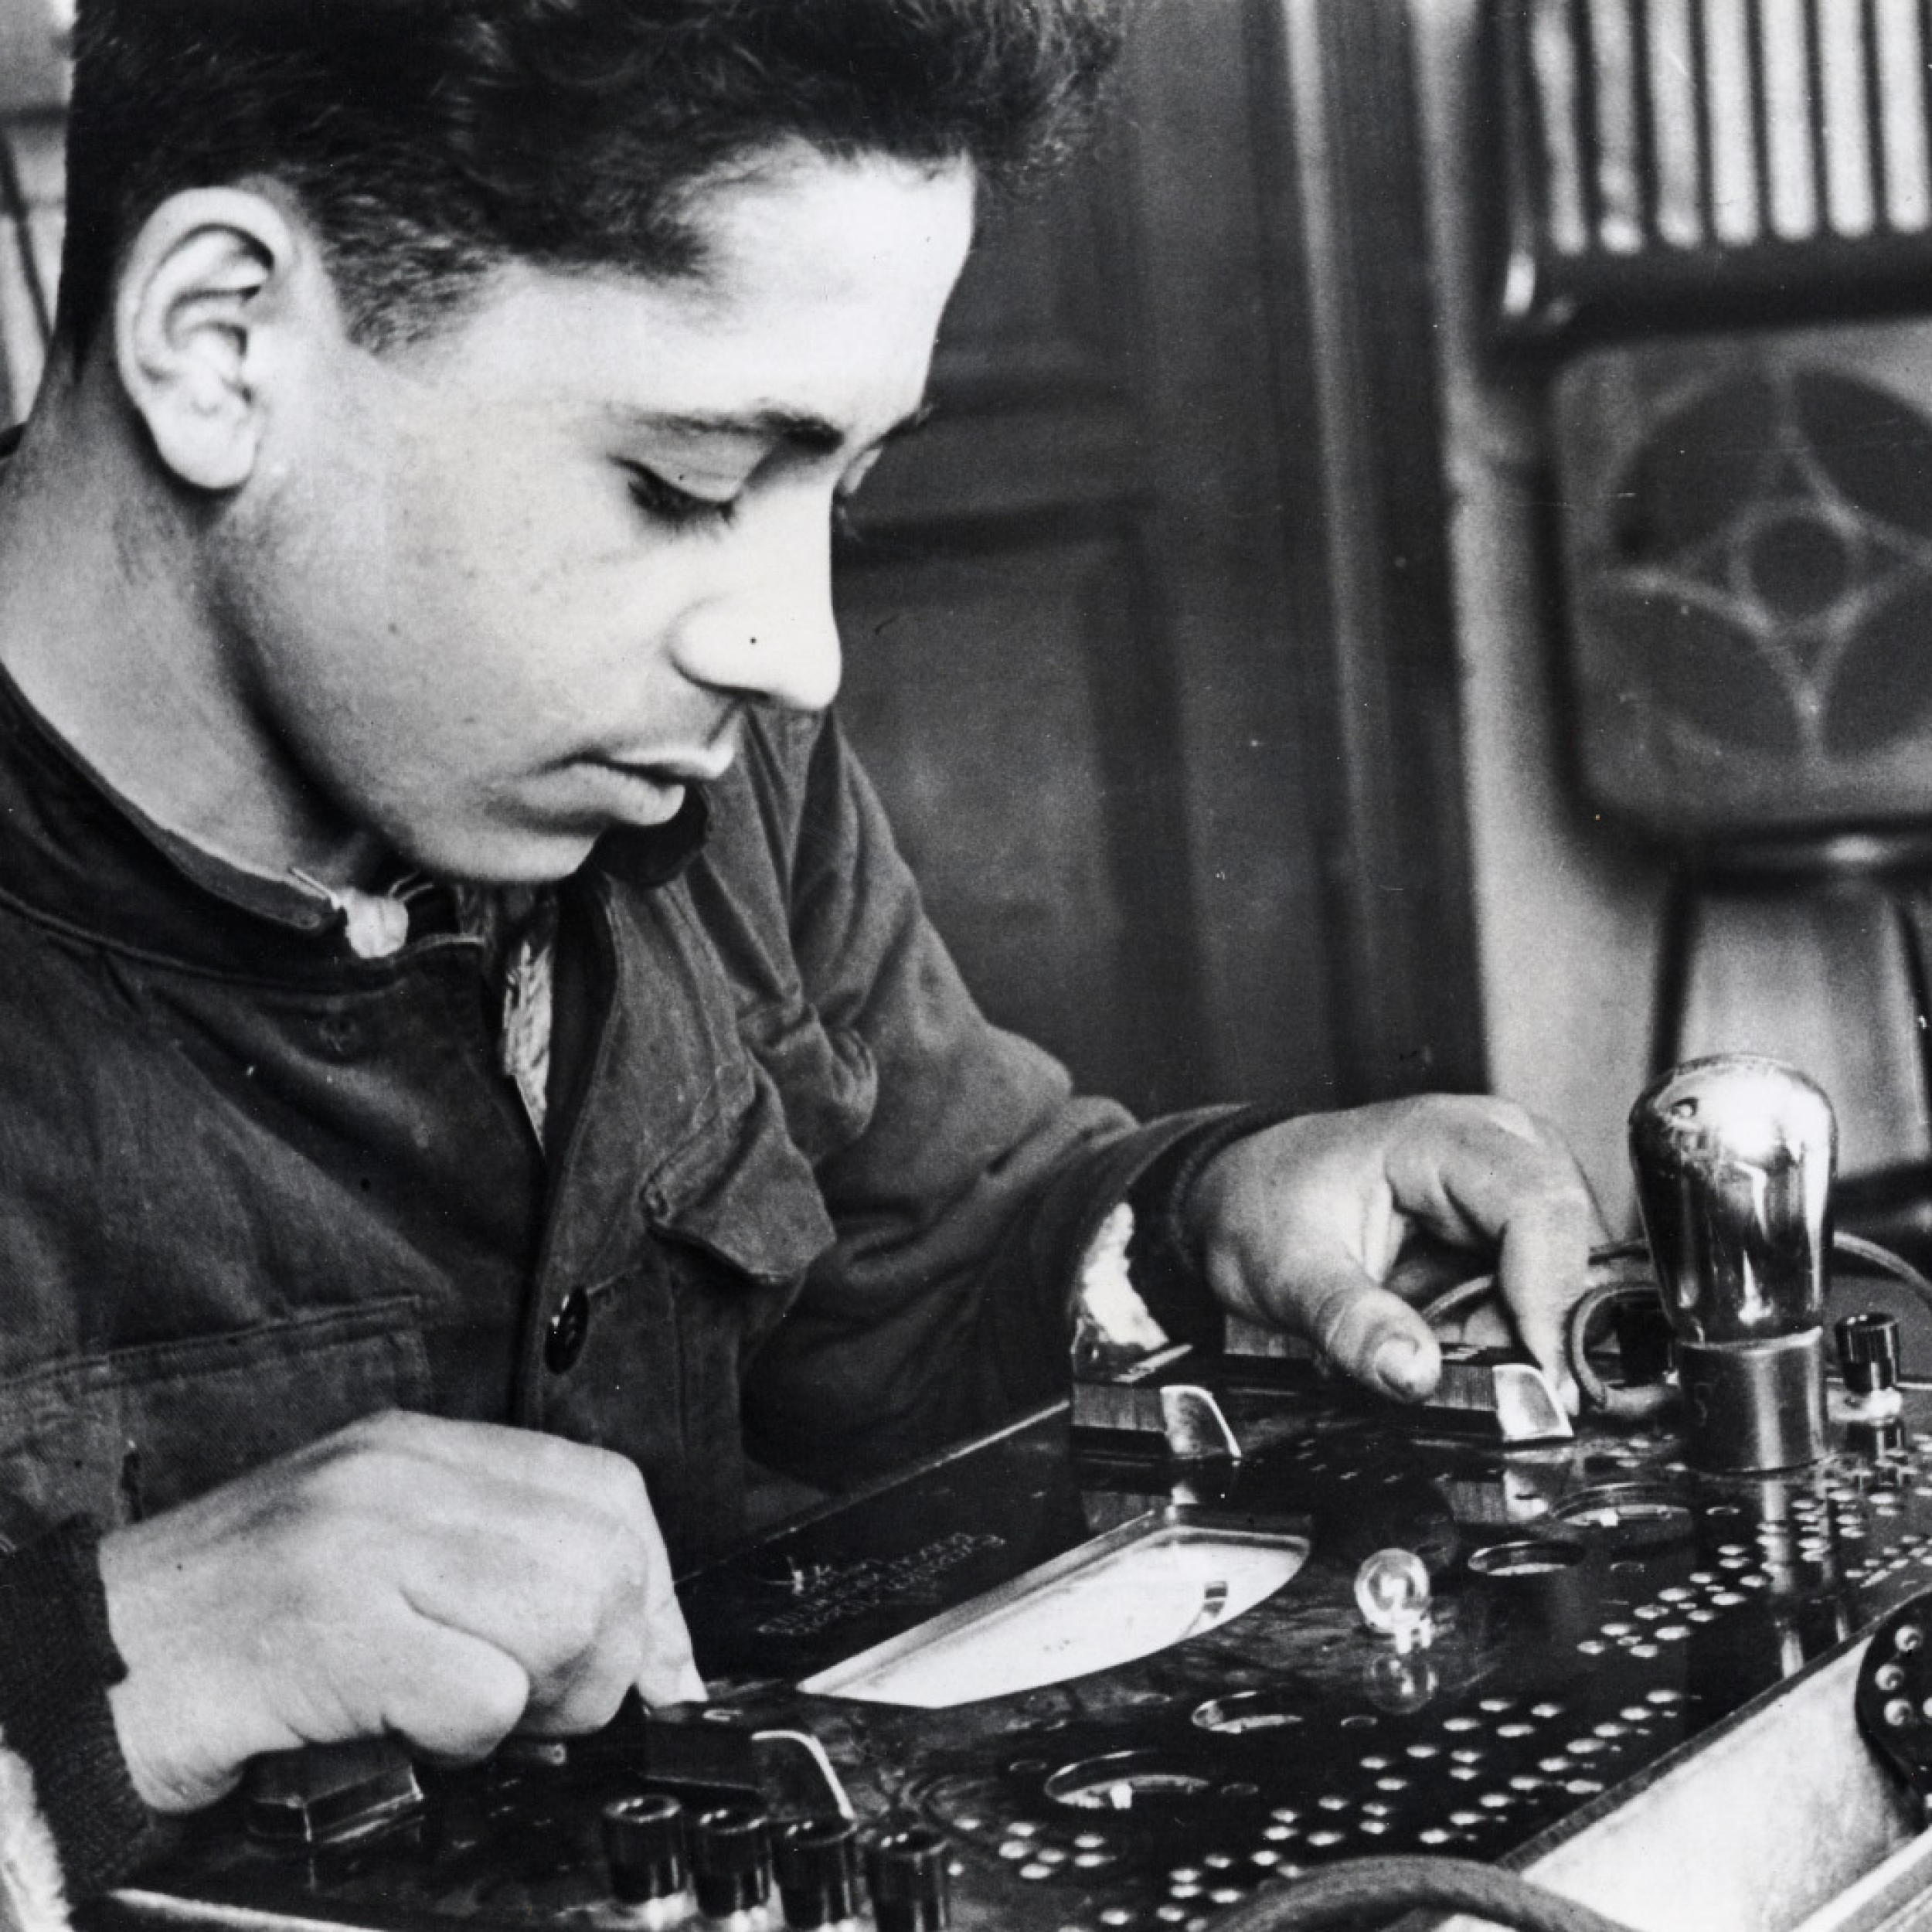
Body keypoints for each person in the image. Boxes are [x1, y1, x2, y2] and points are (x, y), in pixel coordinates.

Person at [0, 1, 1600, 1922]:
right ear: (221, 340)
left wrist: (1191, 1224)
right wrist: (97, 1683)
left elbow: (921, 1271)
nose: (797, 650)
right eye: (683, 484)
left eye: (838, 489)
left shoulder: (687, 768)